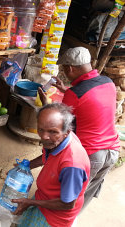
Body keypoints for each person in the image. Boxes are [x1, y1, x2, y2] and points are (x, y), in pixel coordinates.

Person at [39, 47, 120, 209]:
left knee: (67, 200)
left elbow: (57, 125)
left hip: (90, 154)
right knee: (84, 195)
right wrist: (66, 90)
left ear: (70, 68)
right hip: (113, 151)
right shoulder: (108, 83)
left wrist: (45, 104)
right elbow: (91, 103)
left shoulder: (75, 94)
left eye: (64, 69)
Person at [13, 103, 90, 227]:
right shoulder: (57, 141)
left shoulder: (72, 165)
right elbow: (47, 156)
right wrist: (26, 166)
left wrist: (31, 202)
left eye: (52, 132)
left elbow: (68, 204)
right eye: (40, 129)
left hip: (55, 217)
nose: (44, 136)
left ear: (67, 132)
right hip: (44, 197)